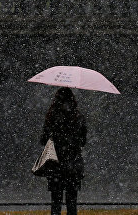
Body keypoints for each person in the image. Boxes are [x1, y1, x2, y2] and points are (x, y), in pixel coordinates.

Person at [41, 87, 87, 215]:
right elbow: (83, 141)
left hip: (56, 165)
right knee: (72, 203)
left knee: (56, 202)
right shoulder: (78, 117)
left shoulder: (52, 117)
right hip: (73, 164)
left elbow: (43, 140)